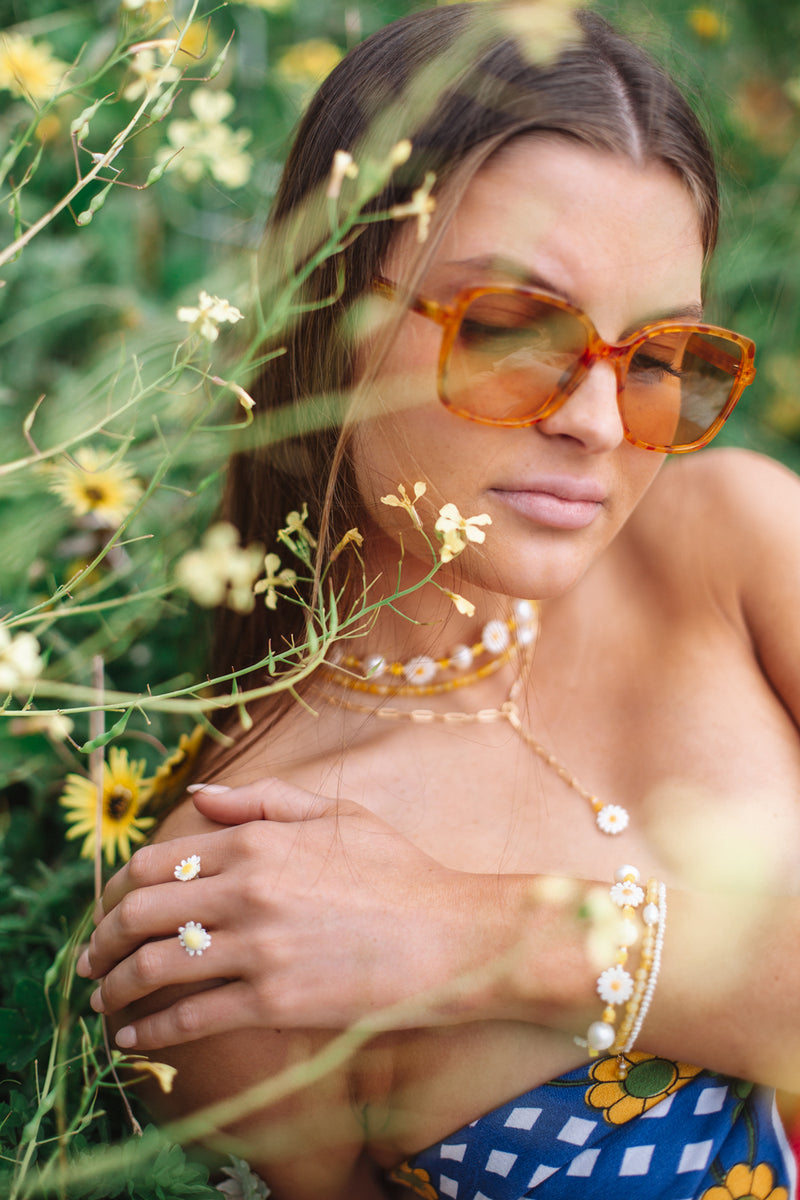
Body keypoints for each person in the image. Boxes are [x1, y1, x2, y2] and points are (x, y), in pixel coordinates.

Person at [77, 4, 800, 1198]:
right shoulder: (246, 897)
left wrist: (485, 936)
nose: (596, 422)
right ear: (328, 308)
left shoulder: (731, 545)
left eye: (656, 357)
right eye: (513, 329)